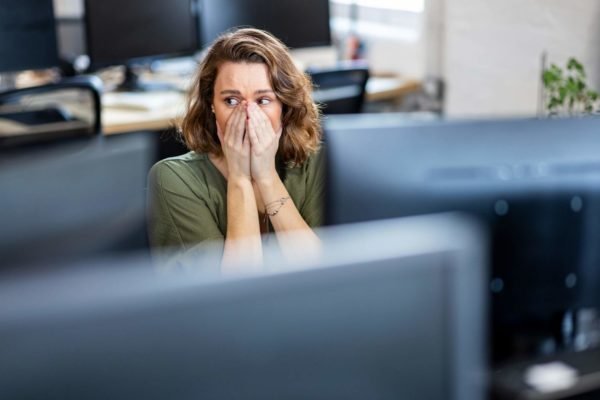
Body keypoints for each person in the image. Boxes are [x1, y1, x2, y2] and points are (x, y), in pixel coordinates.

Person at [147, 28, 324, 272]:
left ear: (284, 105)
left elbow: (325, 273)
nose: (249, 116)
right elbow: (233, 295)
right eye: (231, 100)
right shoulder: (173, 180)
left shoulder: (310, 163)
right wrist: (240, 177)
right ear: (211, 104)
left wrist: (267, 177)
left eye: (263, 100)